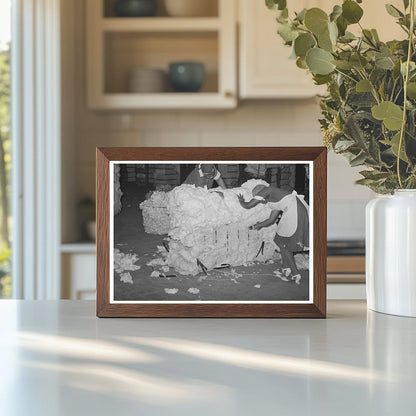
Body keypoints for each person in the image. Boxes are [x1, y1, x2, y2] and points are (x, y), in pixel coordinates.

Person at [237, 184, 309, 284]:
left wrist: (241, 201)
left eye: (258, 196)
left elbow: (248, 205)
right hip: (296, 211)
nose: (261, 201)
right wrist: (256, 226)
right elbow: (271, 220)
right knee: (279, 239)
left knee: (285, 244)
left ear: (261, 192)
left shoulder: (268, 189)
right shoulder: (275, 199)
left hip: (296, 212)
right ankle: (286, 267)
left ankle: (295, 273)